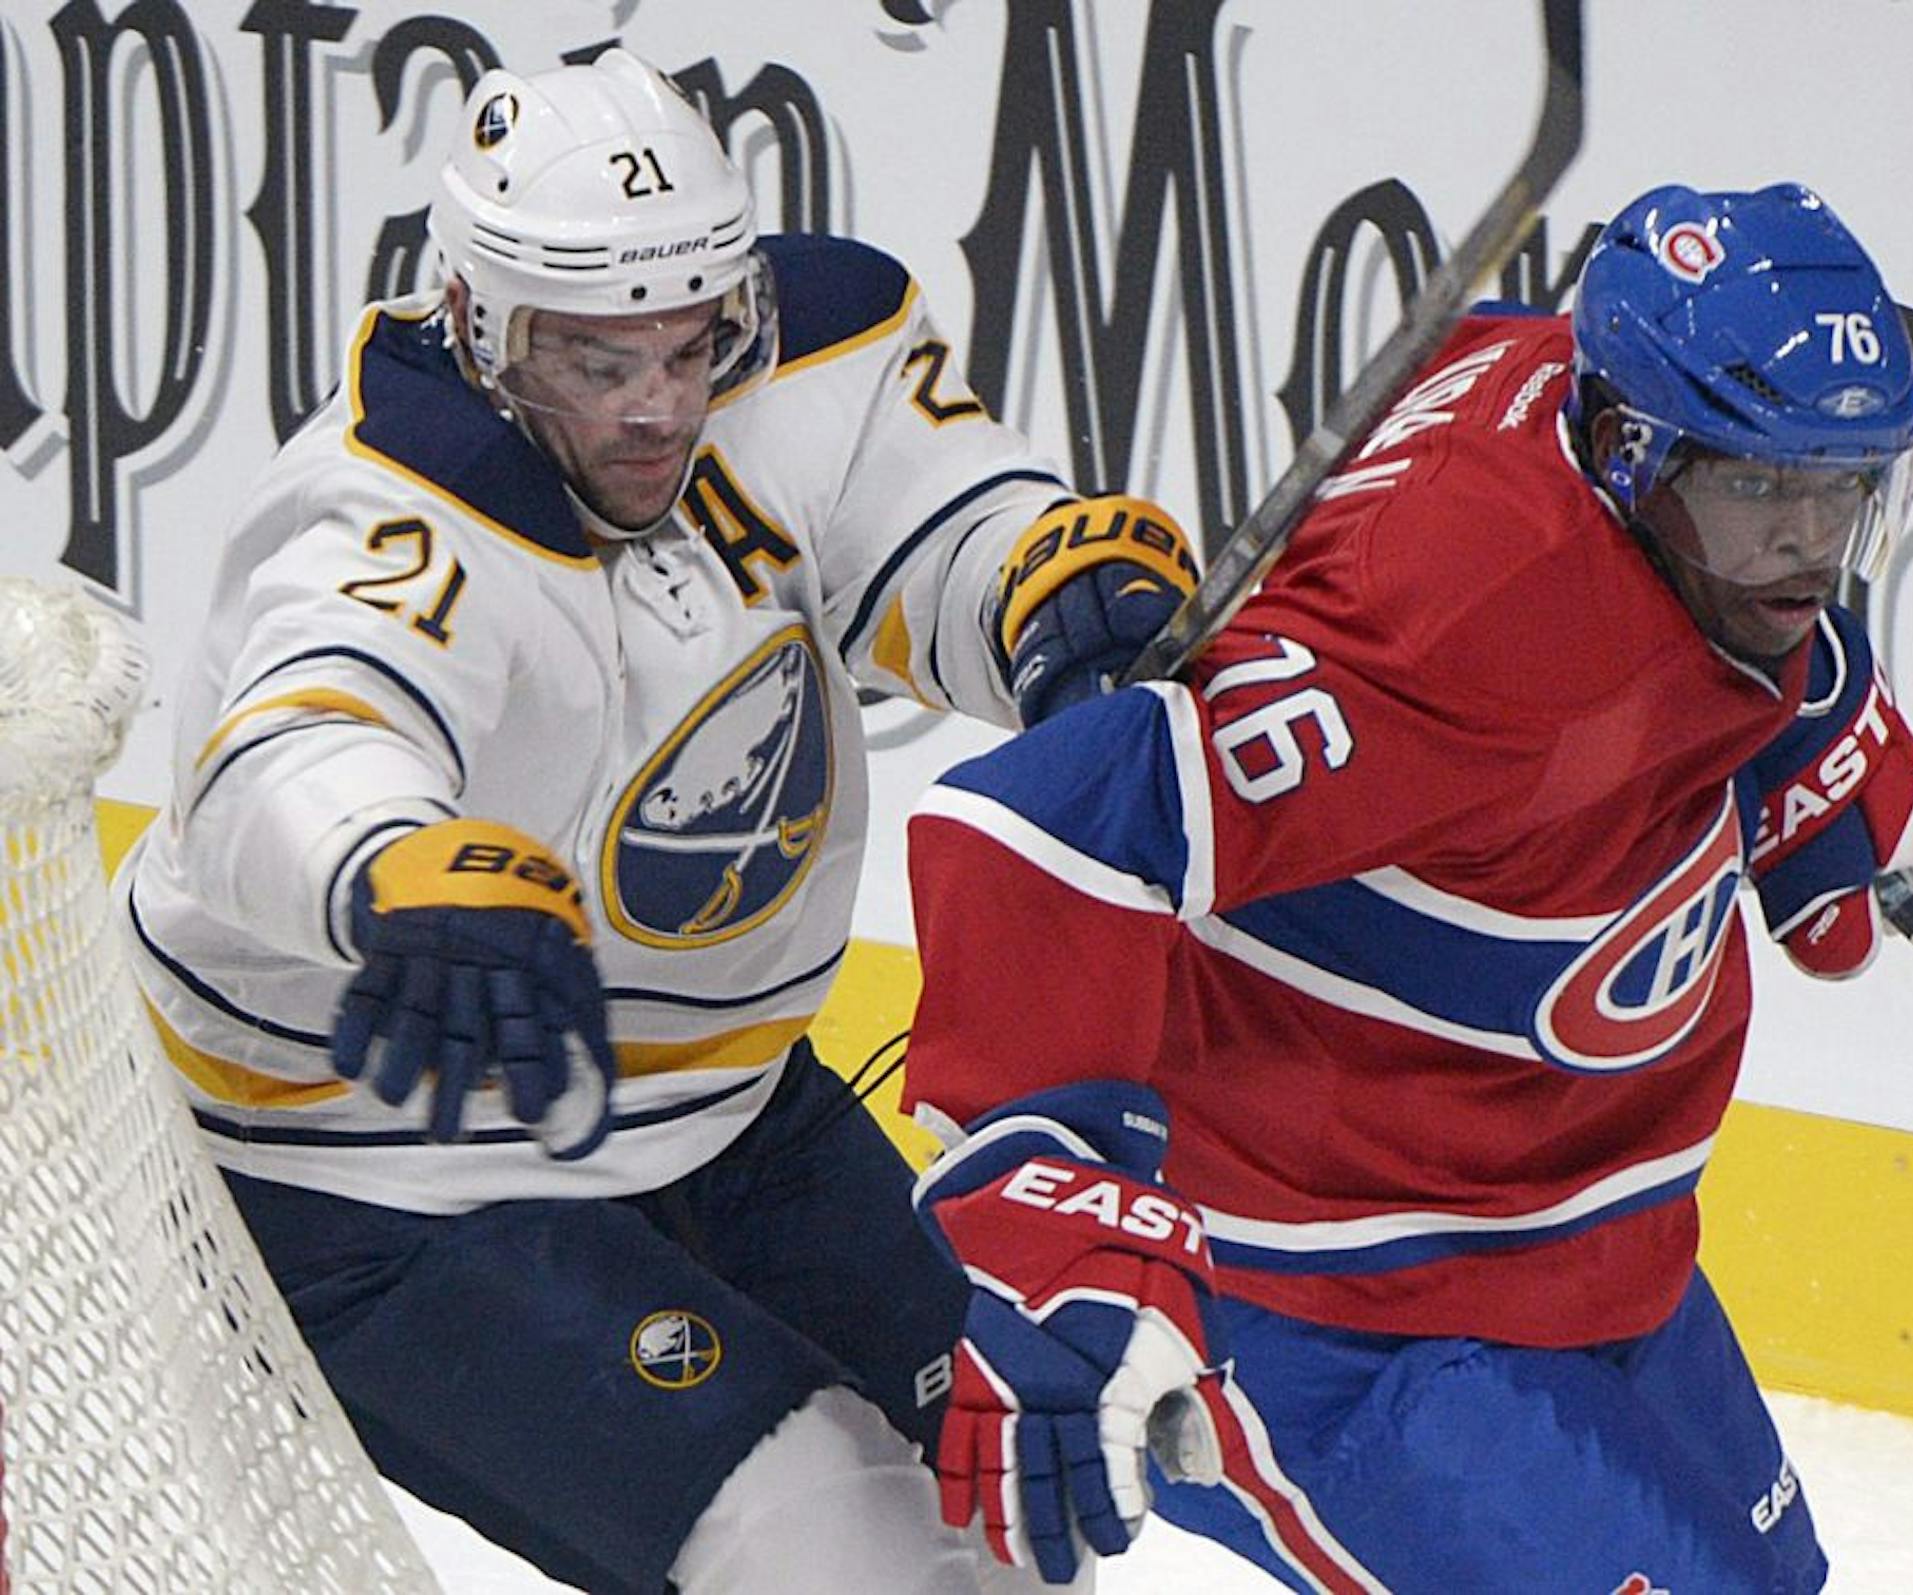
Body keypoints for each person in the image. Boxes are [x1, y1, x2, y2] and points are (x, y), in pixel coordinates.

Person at [115, 49, 1196, 1595]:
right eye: (598, 363)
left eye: (693, 350)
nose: (658, 409)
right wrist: (392, 864)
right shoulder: (385, 512)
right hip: (385, 1172)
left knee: (1006, 1511)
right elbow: (288, 743)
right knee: (847, 1560)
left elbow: (936, 524)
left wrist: (1041, 589)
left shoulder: (808, 354)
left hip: (730, 1110)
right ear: (482, 326)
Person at [898, 182, 1913, 1593]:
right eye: (1763, 491)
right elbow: (1047, 823)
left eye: (1842, 492)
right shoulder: (1447, 632)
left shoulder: (1564, 386)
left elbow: (1575, 402)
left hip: (1582, 1236)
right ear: (1630, 451)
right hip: (1337, 1311)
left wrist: (1805, 712)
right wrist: (1038, 1181)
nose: (1807, 547)